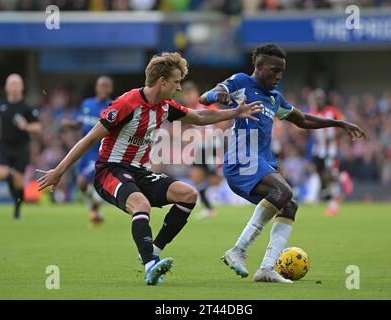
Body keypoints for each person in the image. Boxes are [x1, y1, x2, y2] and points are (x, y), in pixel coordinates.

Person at [37, 52, 263, 286]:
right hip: (110, 170)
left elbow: (199, 116)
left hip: (139, 171)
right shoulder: (127, 103)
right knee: (141, 204)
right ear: (162, 81)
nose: (178, 88)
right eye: (176, 82)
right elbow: (90, 138)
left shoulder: (165, 106)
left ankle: (152, 250)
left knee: (188, 195)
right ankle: (150, 266)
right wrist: (59, 170)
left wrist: (235, 113)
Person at [200, 44, 366, 283]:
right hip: (242, 161)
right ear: (259, 66)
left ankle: (266, 268)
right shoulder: (241, 82)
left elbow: (304, 119)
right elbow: (206, 96)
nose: (279, 76)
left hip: (261, 162)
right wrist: (219, 95)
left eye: (282, 72)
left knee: (290, 205)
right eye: (274, 70)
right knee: (284, 190)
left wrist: (339, 124)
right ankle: (238, 250)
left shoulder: (274, 99)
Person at [0, 74, 41, 219]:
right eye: (11, 84)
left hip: (21, 148)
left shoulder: (27, 107)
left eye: (17, 84)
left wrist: (26, 126)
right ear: (6, 87)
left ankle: (17, 207)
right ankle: (11, 175)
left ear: (22, 87)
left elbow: (37, 127)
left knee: (18, 185)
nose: (14, 86)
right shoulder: (0, 104)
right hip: (3, 146)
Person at [62, 76, 113, 227]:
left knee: (82, 181)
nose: (103, 88)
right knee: (82, 186)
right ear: (96, 88)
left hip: (100, 152)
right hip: (84, 151)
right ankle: (96, 211)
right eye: (100, 85)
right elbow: (80, 122)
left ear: (110, 89)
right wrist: (69, 124)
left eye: (106, 86)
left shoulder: (112, 106)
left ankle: (98, 200)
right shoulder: (87, 103)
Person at [181, 81, 220, 220]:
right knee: (195, 176)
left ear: (196, 94)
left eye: (190, 94)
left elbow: (219, 121)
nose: (188, 97)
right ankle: (209, 209)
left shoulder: (205, 106)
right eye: (185, 95)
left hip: (211, 146)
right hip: (200, 148)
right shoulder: (188, 110)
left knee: (215, 179)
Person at [308, 88, 347, 216]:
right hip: (318, 150)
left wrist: (336, 135)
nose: (318, 101)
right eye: (316, 98)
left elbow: (343, 122)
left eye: (320, 98)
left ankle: (334, 203)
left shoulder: (332, 111)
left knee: (331, 173)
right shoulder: (312, 112)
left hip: (331, 150)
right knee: (321, 175)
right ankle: (341, 181)